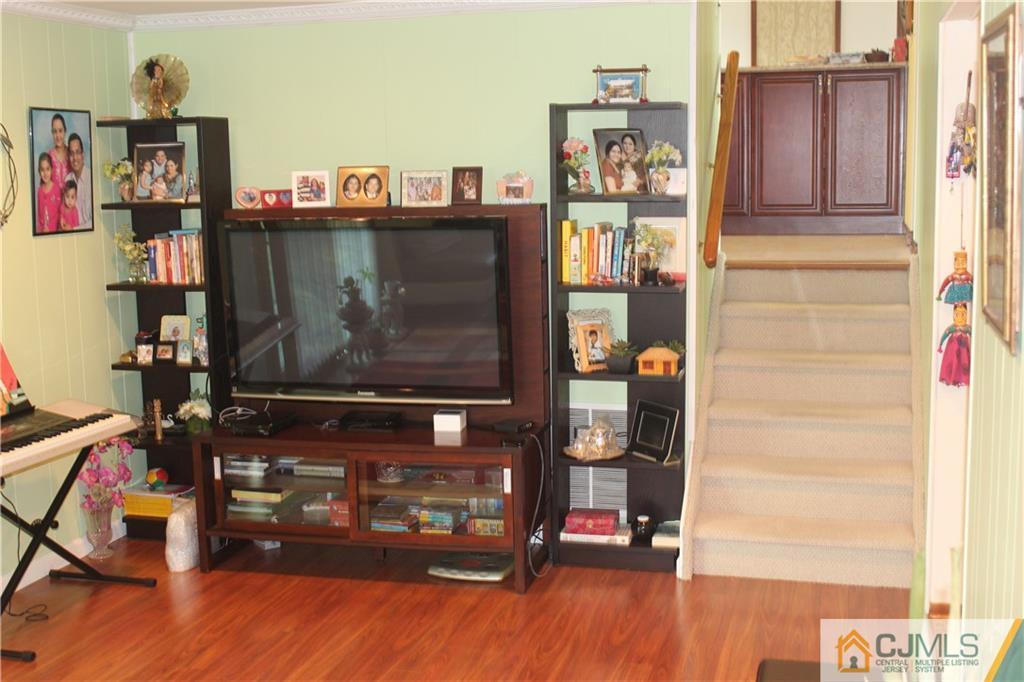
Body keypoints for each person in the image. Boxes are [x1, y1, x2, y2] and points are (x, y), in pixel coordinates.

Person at [64, 133, 91, 228]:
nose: (75, 158)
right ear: (68, 157)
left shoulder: (91, 179)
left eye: (78, 152)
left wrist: (74, 229)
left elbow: (95, 221)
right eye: (71, 153)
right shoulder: (67, 180)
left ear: (83, 155)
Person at [36, 153, 61, 233]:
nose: (45, 173)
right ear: (39, 171)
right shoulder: (39, 191)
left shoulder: (56, 189)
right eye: (42, 170)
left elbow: (60, 213)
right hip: (43, 232)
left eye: (47, 169)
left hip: (54, 232)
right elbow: (40, 215)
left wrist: (51, 229)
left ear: (52, 170)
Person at [47, 113, 71, 187]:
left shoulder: (71, 154)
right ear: (52, 133)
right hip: (53, 198)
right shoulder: (49, 156)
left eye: (60, 131)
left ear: (65, 131)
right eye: (55, 131)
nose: (57, 135)